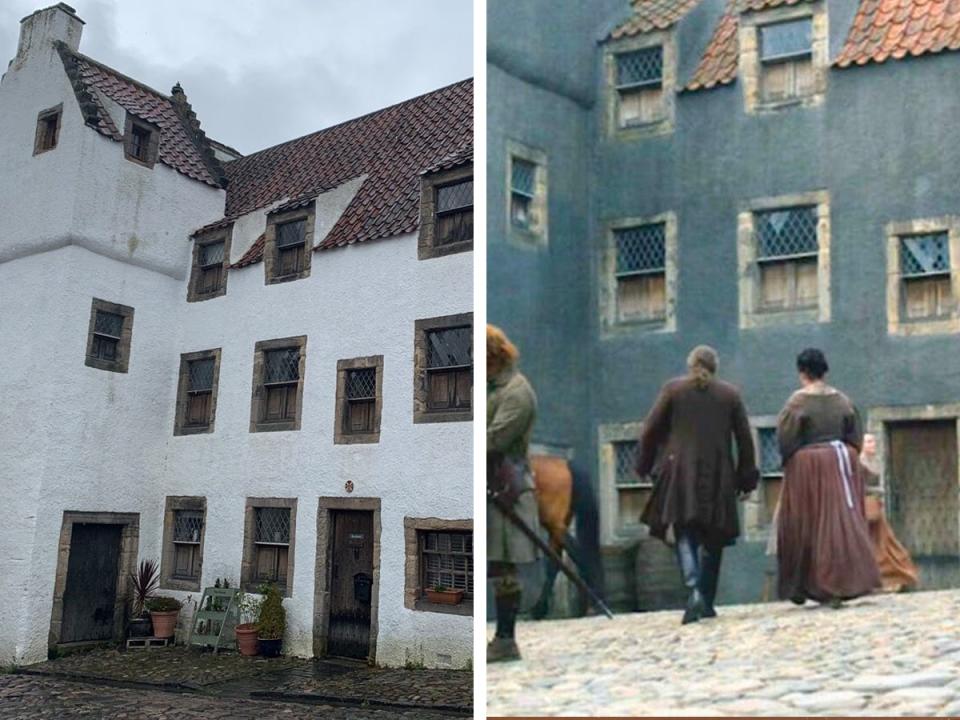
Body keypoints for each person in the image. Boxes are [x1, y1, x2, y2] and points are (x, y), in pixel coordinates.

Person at [637, 345, 759, 625]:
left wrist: (644, 465)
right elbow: (744, 439)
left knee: (684, 532)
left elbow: (649, 429)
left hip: (681, 471)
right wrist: (746, 478)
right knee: (713, 538)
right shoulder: (729, 395)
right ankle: (707, 600)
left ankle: (694, 592)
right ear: (715, 367)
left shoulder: (673, 390)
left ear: (690, 364)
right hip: (718, 474)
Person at [776, 348, 881, 606]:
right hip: (841, 463)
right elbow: (854, 437)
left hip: (807, 467)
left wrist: (792, 461)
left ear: (802, 373)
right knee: (839, 523)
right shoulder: (842, 400)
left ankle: (810, 584)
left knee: (806, 524)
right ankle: (840, 582)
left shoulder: (797, 402)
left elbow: (786, 439)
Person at [487, 325, 540, 662]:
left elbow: (494, 440)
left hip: (506, 487)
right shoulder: (490, 386)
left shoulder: (517, 393)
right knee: (494, 564)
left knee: (504, 565)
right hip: (488, 483)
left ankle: (506, 639)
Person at [860, 433, 919, 593]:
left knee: (886, 544)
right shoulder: (859, 463)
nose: (873, 445)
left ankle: (896, 578)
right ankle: (880, 580)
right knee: (877, 545)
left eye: (873, 441)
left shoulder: (873, 462)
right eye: (869, 442)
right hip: (867, 509)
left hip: (875, 507)